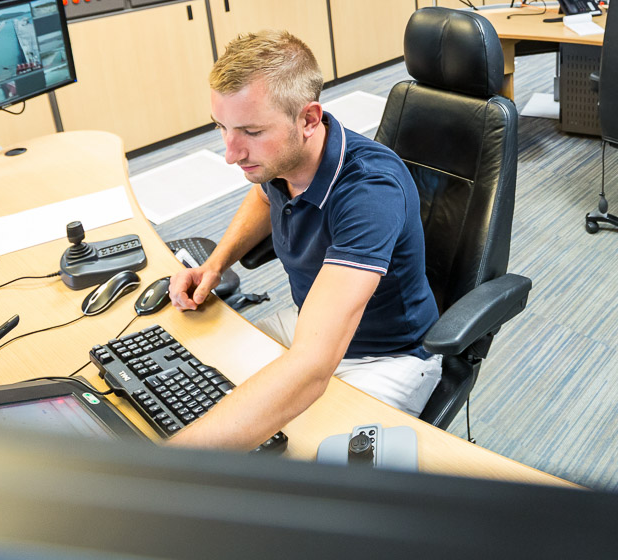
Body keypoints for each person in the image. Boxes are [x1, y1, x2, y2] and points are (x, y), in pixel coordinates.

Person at [165, 30, 441, 451]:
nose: (231, 153)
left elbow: (312, 368)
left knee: (305, 461)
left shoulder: (369, 190)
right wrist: (215, 264)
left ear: (309, 119)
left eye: (251, 132)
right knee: (198, 377)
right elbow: (263, 194)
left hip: (387, 356)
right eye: (222, 127)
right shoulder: (281, 158)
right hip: (309, 323)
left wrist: (164, 469)